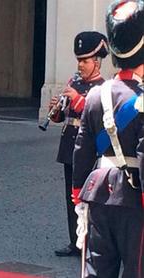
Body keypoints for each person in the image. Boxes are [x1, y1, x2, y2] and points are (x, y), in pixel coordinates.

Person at [72, 1, 144, 276]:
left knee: (98, 269)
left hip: (98, 191)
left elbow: (83, 148)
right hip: (135, 199)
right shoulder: (140, 100)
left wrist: (78, 194)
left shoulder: (95, 95)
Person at [49, 31, 109, 257]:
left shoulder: (103, 87)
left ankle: (92, 243)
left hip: (91, 151)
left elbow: (100, 118)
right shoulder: (73, 82)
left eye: (85, 61)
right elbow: (61, 117)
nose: (80, 65)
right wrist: (55, 109)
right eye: (79, 61)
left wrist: (77, 99)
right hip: (69, 147)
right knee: (71, 197)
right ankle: (75, 241)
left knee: (91, 199)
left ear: (97, 62)